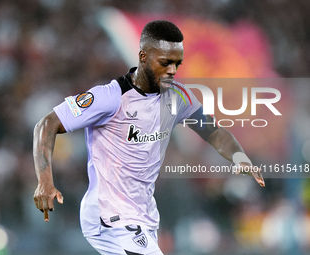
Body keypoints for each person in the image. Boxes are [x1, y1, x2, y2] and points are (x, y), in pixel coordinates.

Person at [33, 20, 265, 255]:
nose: (172, 71)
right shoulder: (111, 97)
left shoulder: (178, 98)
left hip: (144, 217)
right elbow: (46, 124)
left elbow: (214, 132)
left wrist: (238, 156)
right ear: (143, 56)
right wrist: (44, 181)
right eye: (165, 63)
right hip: (110, 214)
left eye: (177, 63)